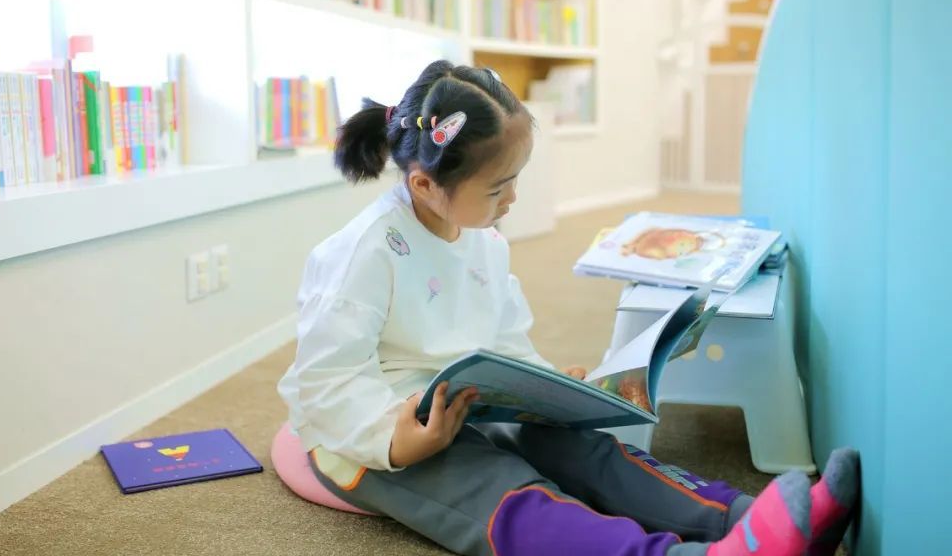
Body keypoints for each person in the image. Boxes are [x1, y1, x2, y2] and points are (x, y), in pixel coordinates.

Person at [277, 60, 858, 555]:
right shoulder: (364, 253)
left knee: (588, 451)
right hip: (371, 433)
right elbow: (324, 383)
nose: (513, 198)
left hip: (465, 401)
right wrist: (398, 440)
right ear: (426, 185)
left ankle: (744, 518)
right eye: (498, 187)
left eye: (516, 180)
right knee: (501, 488)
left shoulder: (483, 239)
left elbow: (504, 338)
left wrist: (548, 388)